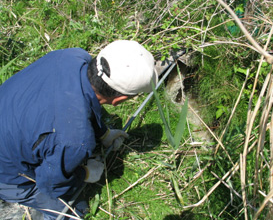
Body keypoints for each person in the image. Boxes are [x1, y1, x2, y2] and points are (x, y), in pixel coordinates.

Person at [0, 40, 158, 219]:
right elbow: (50, 183)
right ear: (119, 100)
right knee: (74, 211)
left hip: (9, 115)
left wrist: (103, 133)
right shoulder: (76, 141)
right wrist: (85, 173)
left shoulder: (72, 56)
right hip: (5, 174)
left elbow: (83, 97)